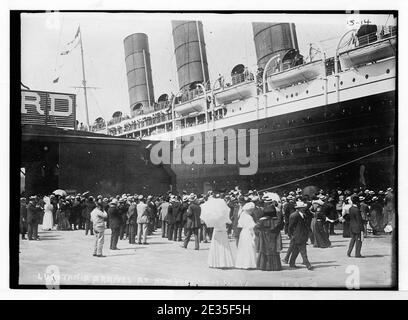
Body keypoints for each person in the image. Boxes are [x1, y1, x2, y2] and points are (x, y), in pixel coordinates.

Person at [201, 196, 234, 268]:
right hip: (223, 233)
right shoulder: (224, 216)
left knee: (215, 248)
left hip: (216, 233)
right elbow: (229, 222)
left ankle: (215, 262)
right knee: (224, 248)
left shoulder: (214, 217)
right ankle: (224, 263)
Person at [254, 198, 284, 271]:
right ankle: (275, 266)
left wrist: (260, 233)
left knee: (264, 251)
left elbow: (256, 228)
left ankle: (264, 266)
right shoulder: (276, 220)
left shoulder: (262, 221)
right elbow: (281, 227)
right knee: (274, 251)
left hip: (264, 238)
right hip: (274, 238)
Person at [288, 201, 313, 270]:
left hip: (302, 235)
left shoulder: (303, 215)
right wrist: (291, 235)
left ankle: (291, 263)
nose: (304, 209)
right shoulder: (294, 215)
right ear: (299, 208)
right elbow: (290, 226)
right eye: (302, 208)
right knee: (303, 251)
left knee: (296, 250)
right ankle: (308, 264)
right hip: (298, 235)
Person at [235, 202, 257, 269]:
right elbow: (252, 227)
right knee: (249, 248)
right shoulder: (249, 217)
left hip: (243, 232)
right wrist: (254, 235)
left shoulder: (242, 215)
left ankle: (242, 263)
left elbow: (240, 225)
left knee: (243, 248)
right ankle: (248, 264)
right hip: (248, 233)